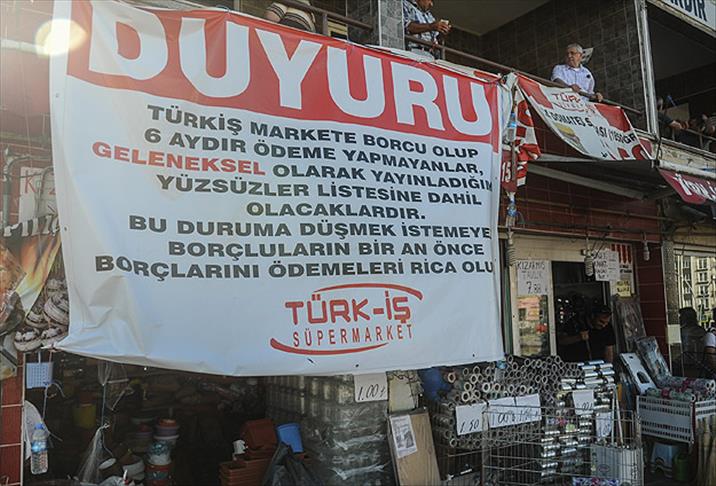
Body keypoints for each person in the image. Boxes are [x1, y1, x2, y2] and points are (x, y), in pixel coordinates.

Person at [678, 307, 706, 377]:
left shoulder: (683, 332)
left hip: (687, 365)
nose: (679, 318)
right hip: (700, 364)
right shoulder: (701, 330)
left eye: (681, 316)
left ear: (686, 317)